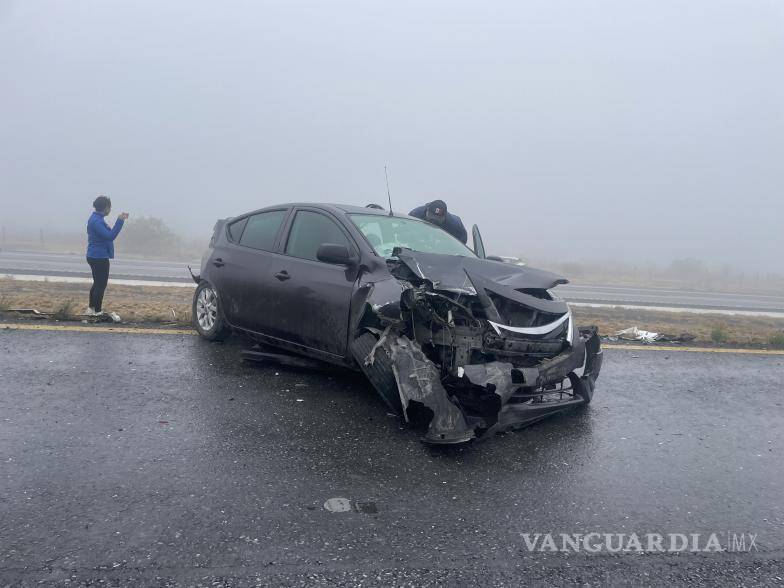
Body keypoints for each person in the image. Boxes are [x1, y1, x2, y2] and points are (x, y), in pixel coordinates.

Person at [86, 195, 128, 315]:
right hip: (98, 257)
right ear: (105, 208)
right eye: (109, 207)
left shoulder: (96, 218)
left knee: (97, 283)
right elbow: (110, 236)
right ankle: (97, 311)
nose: (110, 210)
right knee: (101, 284)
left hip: (95, 255)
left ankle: (91, 309)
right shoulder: (96, 221)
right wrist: (120, 221)